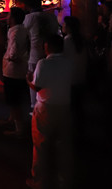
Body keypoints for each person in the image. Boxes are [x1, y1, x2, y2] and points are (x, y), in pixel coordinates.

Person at [26, 34, 73, 189]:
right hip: (64, 107)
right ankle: (64, 180)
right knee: (63, 146)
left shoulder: (43, 63)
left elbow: (37, 86)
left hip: (45, 108)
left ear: (49, 46)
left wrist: (28, 80)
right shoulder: (68, 63)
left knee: (40, 146)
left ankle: (38, 180)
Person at [22, 0, 59, 109]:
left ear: (28, 6)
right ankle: (49, 102)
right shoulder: (51, 16)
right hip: (51, 51)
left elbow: (23, 33)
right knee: (49, 79)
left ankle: (35, 106)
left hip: (35, 53)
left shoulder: (29, 17)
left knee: (35, 79)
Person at [1, 7, 30, 137]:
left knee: (14, 99)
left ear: (12, 18)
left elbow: (13, 51)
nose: (7, 17)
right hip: (20, 68)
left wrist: (9, 57)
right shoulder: (23, 29)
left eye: (8, 15)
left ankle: (19, 129)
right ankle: (11, 119)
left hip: (13, 70)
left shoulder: (15, 32)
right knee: (15, 97)